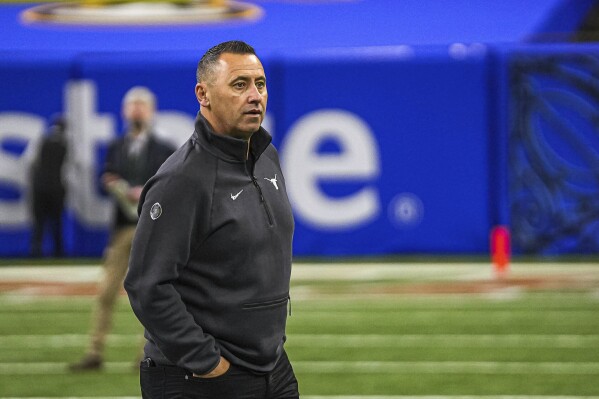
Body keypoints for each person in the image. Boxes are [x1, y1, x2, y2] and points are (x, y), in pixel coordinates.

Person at [124, 41, 299, 398]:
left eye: (260, 84)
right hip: (203, 377)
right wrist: (205, 361)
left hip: (271, 367)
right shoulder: (182, 180)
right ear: (203, 94)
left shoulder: (266, 158)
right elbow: (147, 285)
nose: (255, 96)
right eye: (239, 85)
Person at [69, 86, 175, 371]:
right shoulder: (116, 146)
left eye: (142, 105)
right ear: (125, 111)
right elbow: (102, 181)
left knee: (152, 294)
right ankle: (95, 351)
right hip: (123, 228)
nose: (137, 110)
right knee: (106, 292)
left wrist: (146, 191)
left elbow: (172, 187)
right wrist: (112, 184)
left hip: (152, 229)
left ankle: (148, 354)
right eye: (133, 105)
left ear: (150, 111)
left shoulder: (165, 149)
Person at [30, 115, 68, 257]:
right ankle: (58, 253)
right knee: (56, 223)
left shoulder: (42, 141)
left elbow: (31, 163)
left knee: (39, 223)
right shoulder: (65, 144)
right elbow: (69, 169)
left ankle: (35, 252)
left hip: (39, 187)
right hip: (56, 188)